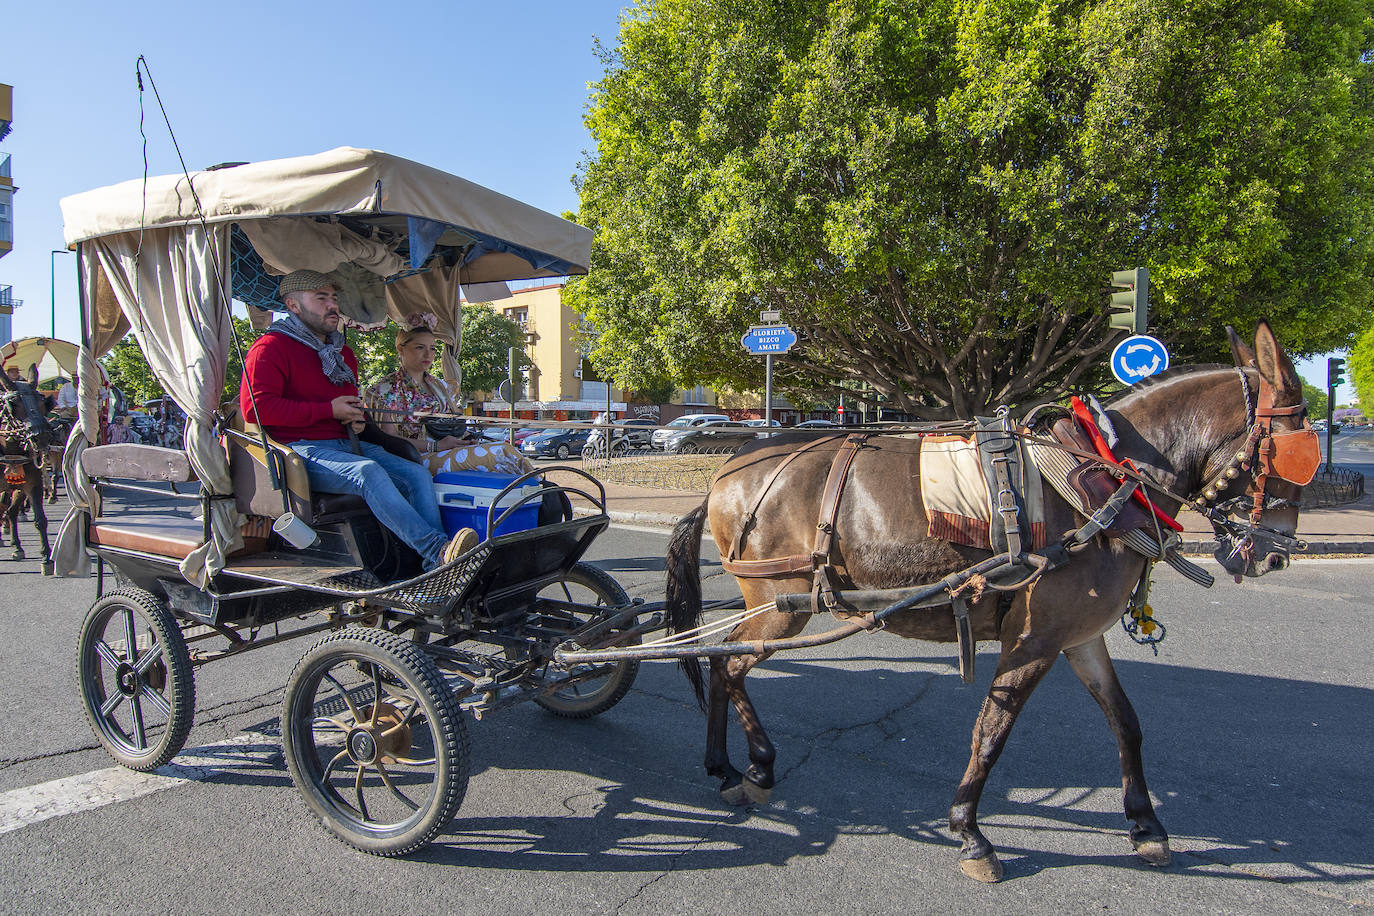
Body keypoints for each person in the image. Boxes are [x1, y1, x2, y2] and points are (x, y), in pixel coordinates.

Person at [240, 270, 476, 570]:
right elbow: (256, 410)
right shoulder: (269, 349)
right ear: (294, 305)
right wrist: (329, 410)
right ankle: (440, 554)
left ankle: (433, 575)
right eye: (321, 298)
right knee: (368, 472)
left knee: (416, 474)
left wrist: (357, 419)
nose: (332, 305)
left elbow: (345, 404)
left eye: (334, 298)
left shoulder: (342, 353)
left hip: (346, 443)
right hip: (298, 450)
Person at [363, 318, 531, 476]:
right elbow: (390, 442)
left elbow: (453, 424)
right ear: (401, 348)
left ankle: (540, 493)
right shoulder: (383, 391)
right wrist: (435, 446)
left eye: (433, 348)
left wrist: (465, 441)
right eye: (420, 347)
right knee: (498, 453)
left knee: (507, 451)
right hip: (412, 460)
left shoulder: (439, 386)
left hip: (447, 450)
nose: (428, 354)